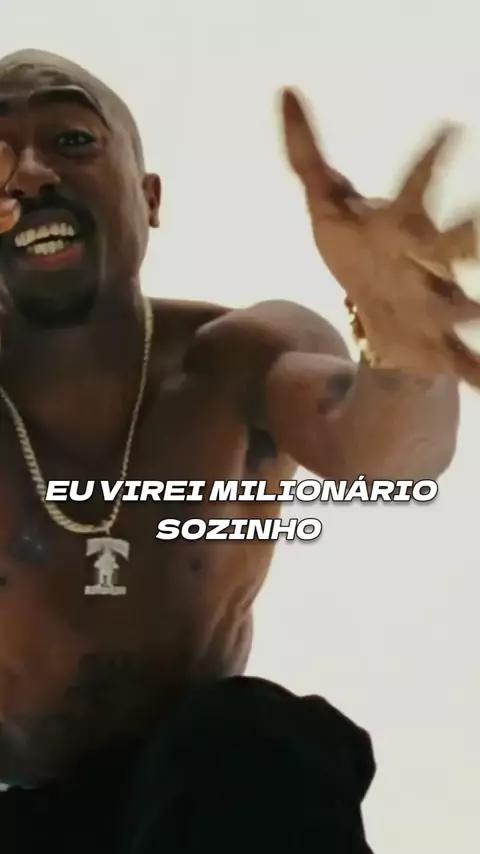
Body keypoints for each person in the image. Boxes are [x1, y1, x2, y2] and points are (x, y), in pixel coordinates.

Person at [0, 47, 475, 853]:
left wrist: (401, 347)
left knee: (256, 738)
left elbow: (385, 451)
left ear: (150, 197)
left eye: (72, 140)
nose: (32, 172)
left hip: (202, 802)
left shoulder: (240, 356)